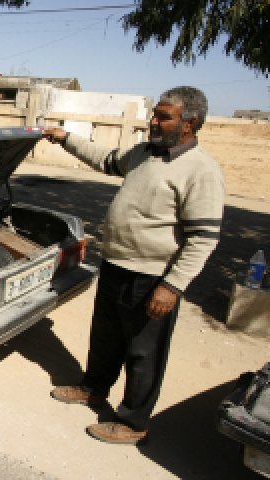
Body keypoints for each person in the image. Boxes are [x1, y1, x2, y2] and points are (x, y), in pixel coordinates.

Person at [44, 86, 224, 445]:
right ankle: (93, 388)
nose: (152, 121)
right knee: (105, 337)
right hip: (116, 264)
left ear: (189, 124)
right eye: (154, 114)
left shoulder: (201, 170)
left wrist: (172, 286)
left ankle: (132, 422)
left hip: (153, 277)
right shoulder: (144, 153)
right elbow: (106, 159)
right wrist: (65, 138)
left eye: (163, 117)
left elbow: (203, 238)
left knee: (144, 353)